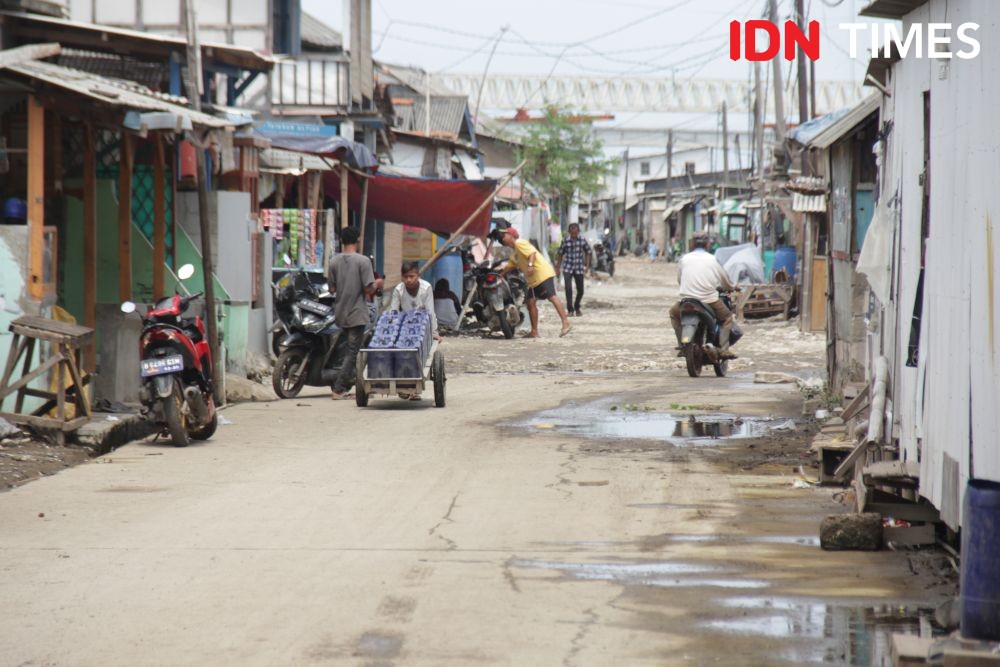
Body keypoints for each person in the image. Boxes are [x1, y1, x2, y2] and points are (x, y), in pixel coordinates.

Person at [327, 226, 383, 399]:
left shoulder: (334, 261)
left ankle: (353, 382)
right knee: (353, 352)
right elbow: (368, 289)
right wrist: (378, 283)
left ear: (342, 241)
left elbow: (332, 288)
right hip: (357, 313)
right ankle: (338, 388)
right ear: (358, 240)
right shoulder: (363, 261)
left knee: (344, 351)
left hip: (340, 312)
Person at [668, 231, 737, 358]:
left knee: (673, 313)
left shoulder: (684, 259)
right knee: (727, 318)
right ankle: (723, 349)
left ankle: (682, 345)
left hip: (687, 300)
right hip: (709, 300)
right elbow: (724, 280)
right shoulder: (712, 259)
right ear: (707, 244)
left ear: (692, 244)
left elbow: (680, 278)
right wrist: (731, 287)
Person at [497, 227, 572, 338]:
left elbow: (532, 253)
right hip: (533, 280)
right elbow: (510, 266)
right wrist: (500, 274)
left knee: (552, 297)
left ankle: (565, 322)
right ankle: (534, 331)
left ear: (511, 235)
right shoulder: (515, 253)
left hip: (542, 274)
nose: (502, 239)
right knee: (530, 302)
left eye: (504, 236)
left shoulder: (520, 243)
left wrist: (531, 265)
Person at [389, 261, 440, 340]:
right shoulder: (398, 290)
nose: (408, 280)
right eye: (405, 277)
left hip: (422, 325)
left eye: (411, 276)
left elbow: (430, 312)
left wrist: (433, 332)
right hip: (405, 326)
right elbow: (393, 312)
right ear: (402, 277)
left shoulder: (426, 288)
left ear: (418, 276)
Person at [555, 223, 591, 317]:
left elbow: (588, 251)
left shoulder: (582, 240)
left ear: (578, 232)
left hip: (579, 267)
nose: (574, 235)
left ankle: (577, 306)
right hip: (568, 267)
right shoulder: (566, 241)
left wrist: (587, 265)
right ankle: (570, 309)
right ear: (569, 232)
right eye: (572, 233)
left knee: (581, 290)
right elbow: (560, 253)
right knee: (568, 288)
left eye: (575, 233)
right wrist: (558, 267)